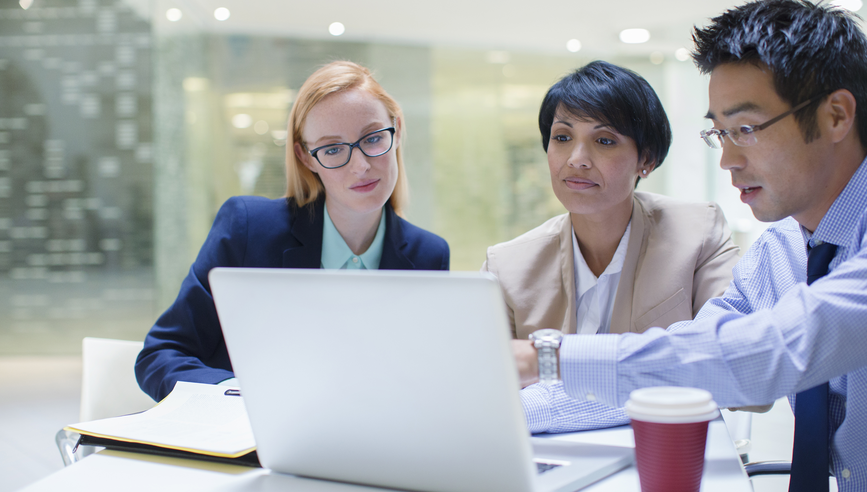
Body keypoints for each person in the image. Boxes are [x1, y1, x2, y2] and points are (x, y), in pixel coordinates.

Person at [512, 1, 867, 489]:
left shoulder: (701, 233)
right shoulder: (778, 252)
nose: (727, 159)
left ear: (836, 115)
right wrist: (504, 410)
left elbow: (766, 354)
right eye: (719, 133)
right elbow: (692, 362)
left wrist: (547, 358)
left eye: (746, 129)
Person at [137, 61, 450, 401]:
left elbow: (422, 379)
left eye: (373, 138)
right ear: (306, 157)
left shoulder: (428, 256)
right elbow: (161, 355)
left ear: (397, 129)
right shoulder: (247, 229)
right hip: (249, 443)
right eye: (332, 149)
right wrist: (244, 398)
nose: (360, 166)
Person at [483, 61, 740, 433]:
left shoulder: (697, 233)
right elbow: (479, 387)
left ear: (646, 159)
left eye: (604, 141)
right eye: (562, 137)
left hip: (662, 449)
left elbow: (730, 366)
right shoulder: (507, 264)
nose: (576, 159)